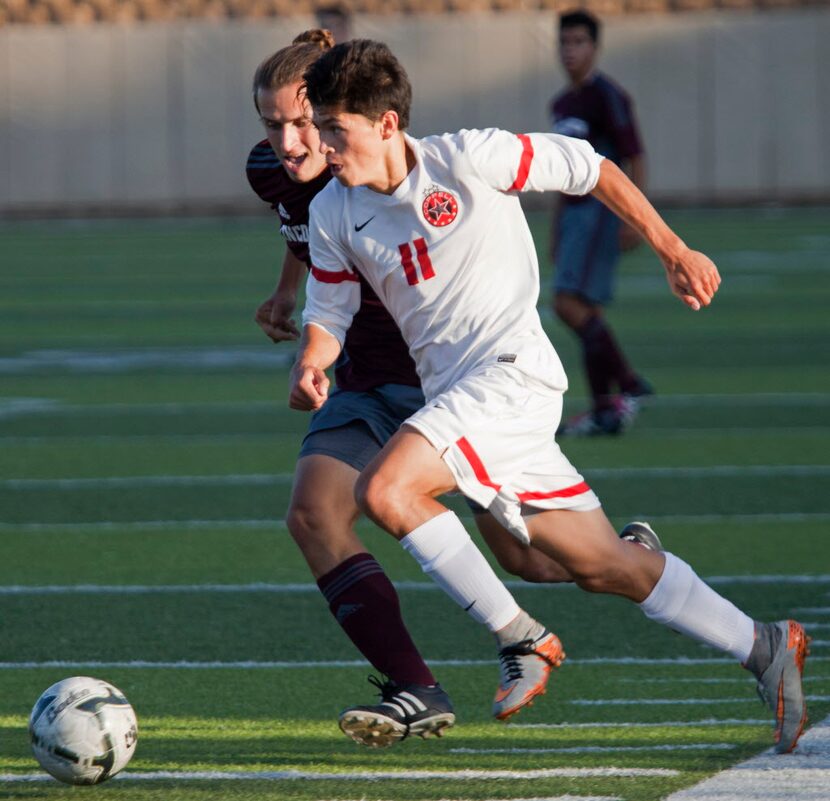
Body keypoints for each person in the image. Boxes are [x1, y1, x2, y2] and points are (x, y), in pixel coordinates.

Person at [293, 39, 811, 755]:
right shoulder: (332, 212)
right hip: (457, 400)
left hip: (511, 377)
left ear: (386, 124)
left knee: (388, 489)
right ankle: (764, 645)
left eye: (334, 128)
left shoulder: (468, 158)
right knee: (582, 564)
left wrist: (672, 248)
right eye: (317, 126)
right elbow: (330, 311)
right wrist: (314, 363)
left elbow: (592, 167)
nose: (322, 143)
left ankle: (520, 638)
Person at [247, 29, 652, 749]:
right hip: (366, 383)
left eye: (303, 122)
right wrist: (292, 303)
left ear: (345, 114)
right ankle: (417, 685)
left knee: (526, 558)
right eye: (272, 124)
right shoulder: (277, 172)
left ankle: (628, 557)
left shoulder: (400, 166)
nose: (286, 138)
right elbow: (302, 232)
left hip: (450, 387)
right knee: (313, 515)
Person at [550, 10, 652, 436]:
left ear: (595, 47)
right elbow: (557, 168)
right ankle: (607, 407)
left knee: (567, 304)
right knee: (582, 308)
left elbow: (635, 156)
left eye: (579, 42)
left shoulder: (607, 96)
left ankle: (626, 383)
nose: (570, 51)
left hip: (598, 212)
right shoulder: (562, 103)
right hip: (573, 215)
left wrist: (635, 217)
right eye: (565, 42)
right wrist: (556, 228)